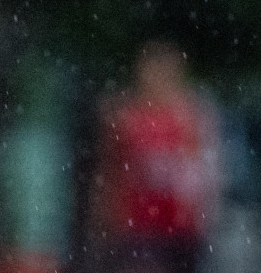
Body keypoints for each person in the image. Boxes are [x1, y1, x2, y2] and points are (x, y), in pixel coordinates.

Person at [88, 41, 221, 273]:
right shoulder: (126, 117)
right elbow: (110, 171)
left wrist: (205, 215)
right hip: (137, 226)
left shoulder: (191, 117)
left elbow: (203, 173)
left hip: (179, 227)